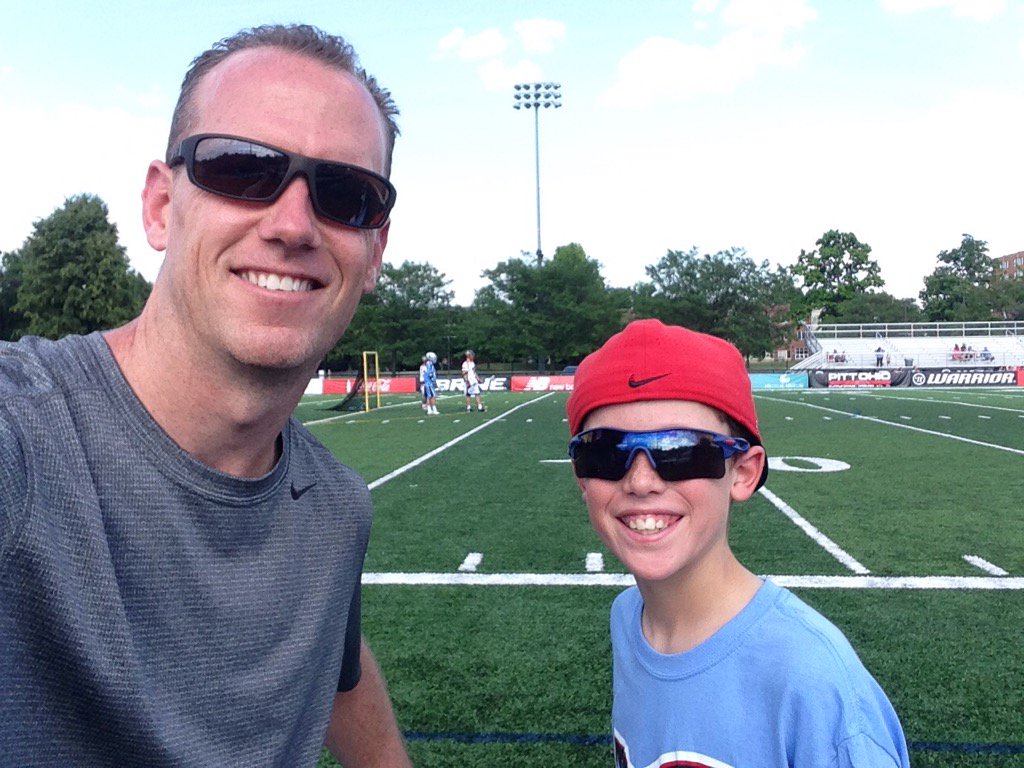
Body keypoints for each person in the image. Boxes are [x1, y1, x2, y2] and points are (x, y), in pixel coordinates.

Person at [0, 25, 411, 767]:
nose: (292, 225)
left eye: (345, 195)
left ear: (374, 251)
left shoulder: (335, 507)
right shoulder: (22, 435)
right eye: (241, 168)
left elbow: (342, 672)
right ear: (161, 206)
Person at [565, 319, 910, 768]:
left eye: (680, 449)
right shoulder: (628, 619)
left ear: (743, 473)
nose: (641, 480)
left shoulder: (814, 681)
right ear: (581, 475)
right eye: (604, 451)